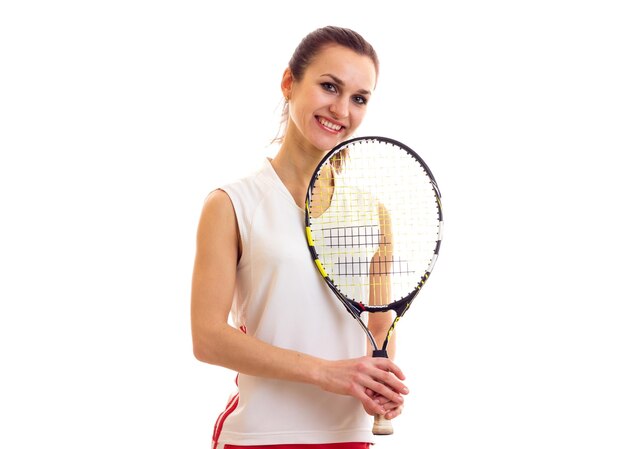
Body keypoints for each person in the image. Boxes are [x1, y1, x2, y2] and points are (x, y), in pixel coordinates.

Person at [191, 26, 408, 449]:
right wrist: (328, 373)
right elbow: (207, 337)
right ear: (289, 82)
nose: (341, 109)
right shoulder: (230, 204)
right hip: (257, 437)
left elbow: (379, 325)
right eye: (329, 86)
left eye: (359, 98)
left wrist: (378, 387)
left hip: (348, 438)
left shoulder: (375, 215)